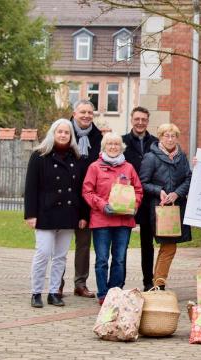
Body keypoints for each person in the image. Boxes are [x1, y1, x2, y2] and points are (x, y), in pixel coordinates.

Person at [24, 119, 88, 308]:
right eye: (59, 131)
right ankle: (36, 292)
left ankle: (54, 292)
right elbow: (30, 187)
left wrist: (83, 215)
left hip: (69, 214)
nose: (63, 135)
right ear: (53, 133)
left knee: (60, 256)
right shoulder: (39, 155)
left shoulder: (77, 158)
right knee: (43, 253)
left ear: (71, 136)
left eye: (66, 132)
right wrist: (30, 214)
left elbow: (81, 190)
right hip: (45, 213)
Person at [82, 133, 142, 304]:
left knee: (120, 258)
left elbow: (138, 190)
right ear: (104, 146)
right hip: (102, 221)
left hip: (123, 221)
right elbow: (87, 191)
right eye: (110, 144)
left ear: (121, 147)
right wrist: (102, 205)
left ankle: (115, 292)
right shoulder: (94, 167)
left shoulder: (128, 168)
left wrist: (134, 205)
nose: (113, 147)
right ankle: (103, 293)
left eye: (116, 144)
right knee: (102, 259)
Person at [139, 123, 192, 290]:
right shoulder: (150, 157)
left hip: (177, 207)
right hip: (159, 208)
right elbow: (143, 182)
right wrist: (159, 191)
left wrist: (177, 193)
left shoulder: (182, 156)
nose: (170, 139)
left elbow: (188, 179)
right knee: (167, 245)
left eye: (173, 136)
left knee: (169, 246)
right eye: (166, 136)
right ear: (160, 137)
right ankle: (158, 283)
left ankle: (158, 283)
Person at [66, 99, 103, 298]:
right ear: (74, 113)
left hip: (87, 199)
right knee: (60, 246)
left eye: (90, 112)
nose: (87, 116)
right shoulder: (63, 131)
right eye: (83, 112)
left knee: (83, 244)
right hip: (64, 198)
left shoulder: (98, 137)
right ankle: (57, 284)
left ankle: (80, 283)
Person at [122, 106, 159, 291]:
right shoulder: (122, 142)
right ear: (131, 119)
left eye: (144, 119)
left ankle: (148, 281)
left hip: (149, 199)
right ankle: (119, 282)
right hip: (126, 199)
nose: (140, 122)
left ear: (148, 121)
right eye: (137, 119)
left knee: (148, 244)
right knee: (122, 243)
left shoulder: (156, 142)